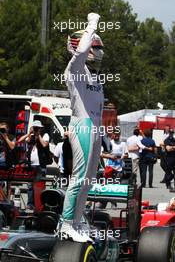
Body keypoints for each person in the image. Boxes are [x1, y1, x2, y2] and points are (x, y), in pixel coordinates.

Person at [57, 13, 104, 242]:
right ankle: (66, 224)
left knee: (89, 179)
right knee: (80, 176)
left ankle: (76, 223)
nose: (100, 51)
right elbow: (82, 49)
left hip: (95, 127)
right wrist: (92, 25)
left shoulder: (95, 77)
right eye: (97, 46)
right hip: (82, 125)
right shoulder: (75, 67)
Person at [18, 120, 51, 209]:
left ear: (41, 128)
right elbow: (20, 140)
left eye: (38, 128)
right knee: (30, 185)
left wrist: (38, 134)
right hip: (31, 165)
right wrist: (29, 133)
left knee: (40, 185)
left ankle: (41, 205)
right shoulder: (31, 137)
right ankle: (30, 204)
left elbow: (44, 144)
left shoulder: (45, 135)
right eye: (35, 128)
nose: (36, 129)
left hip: (41, 164)